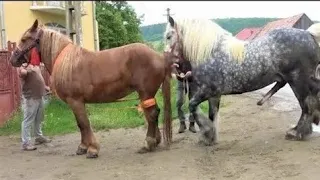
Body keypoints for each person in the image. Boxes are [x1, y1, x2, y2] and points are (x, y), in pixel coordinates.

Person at [18, 50, 51, 151]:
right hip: (30, 97)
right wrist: (28, 69)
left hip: (39, 95)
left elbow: (38, 78)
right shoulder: (23, 65)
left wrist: (45, 87)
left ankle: (38, 137)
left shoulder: (35, 65)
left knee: (39, 118)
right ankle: (26, 143)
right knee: (28, 119)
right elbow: (22, 74)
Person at [174, 60, 197, 133]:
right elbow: (175, 66)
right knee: (179, 101)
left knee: (193, 102)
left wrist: (192, 72)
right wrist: (180, 72)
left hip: (193, 81)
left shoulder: (194, 53)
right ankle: (182, 123)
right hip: (181, 81)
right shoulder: (179, 54)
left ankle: (192, 124)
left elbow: (199, 66)